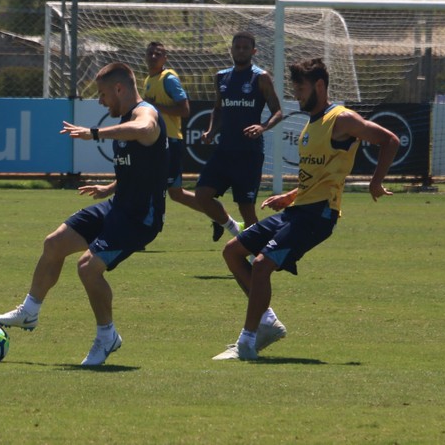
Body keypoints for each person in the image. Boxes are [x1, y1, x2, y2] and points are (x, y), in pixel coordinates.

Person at [213, 57, 399, 360]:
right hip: (297, 210)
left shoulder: (341, 119)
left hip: (319, 215)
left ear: (320, 86)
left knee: (261, 265)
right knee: (232, 251)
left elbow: (389, 140)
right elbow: (320, 174)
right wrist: (290, 196)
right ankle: (267, 321)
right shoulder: (312, 124)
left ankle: (247, 343)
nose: (297, 95)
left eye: (300, 88)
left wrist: (375, 182)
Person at [0, 62, 168, 366]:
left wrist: (95, 133)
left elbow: (146, 130)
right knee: (55, 243)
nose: (100, 101)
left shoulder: (144, 112)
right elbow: (144, 167)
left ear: (119, 89)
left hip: (140, 217)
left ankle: (106, 336)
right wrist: (110, 187)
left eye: (102, 94)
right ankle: (29, 311)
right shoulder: (125, 116)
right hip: (118, 205)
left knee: (88, 268)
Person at [196, 31, 284, 240]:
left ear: (254, 51)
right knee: (202, 195)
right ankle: (234, 228)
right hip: (224, 151)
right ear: (232, 49)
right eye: (237, 47)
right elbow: (218, 109)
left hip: (249, 153)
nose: (241, 51)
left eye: (246, 48)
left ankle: (258, 253)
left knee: (246, 208)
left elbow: (278, 111)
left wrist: (262, 127)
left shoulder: (260, 77)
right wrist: (211, 131)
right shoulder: (221, 77)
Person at [141, 41, 207, 232]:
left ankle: (147, 228)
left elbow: (185, 110)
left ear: (165, 58)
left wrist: (154, 107)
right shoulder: (148, 80)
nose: (153, 56)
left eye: (158, 53)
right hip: (156, 141)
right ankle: (219, 216)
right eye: (150, 53)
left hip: (169, 141)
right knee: (175, 193)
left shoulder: (168, 78)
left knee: (161, 189)